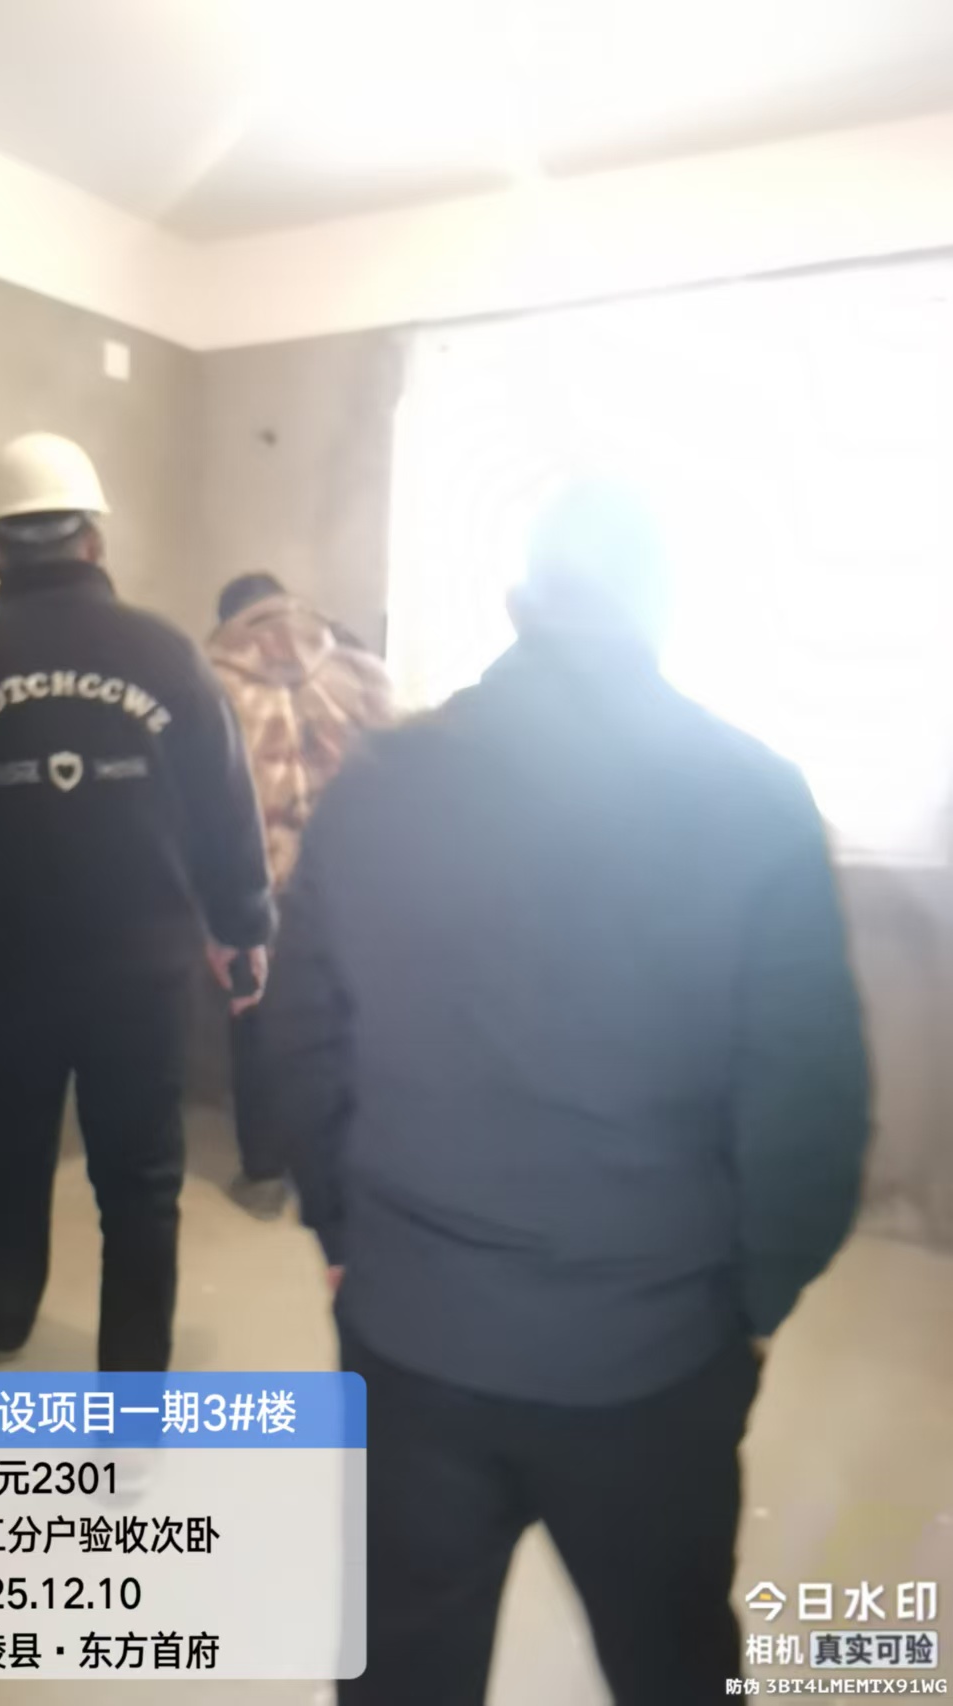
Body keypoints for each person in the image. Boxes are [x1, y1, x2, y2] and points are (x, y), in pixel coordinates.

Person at [265, 479, 871, 1705]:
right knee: (673, 1666)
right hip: (650, 1364)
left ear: (517, 603)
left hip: (412, 1341)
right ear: (660, 604)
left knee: (400, 1673)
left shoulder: (379, 783)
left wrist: (343, 1235)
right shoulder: (752, 798)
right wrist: (746, 1308)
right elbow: (810, 1113)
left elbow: (299, 1047)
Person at [0, 433, 273, 1370]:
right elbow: (225, 807)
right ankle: (132, 1390)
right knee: (141, 1177)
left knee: (12, 1138)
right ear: (94, 540)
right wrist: (242, 928)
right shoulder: (165, 654)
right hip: (144, 973)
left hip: (9, 972)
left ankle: (4, 1308)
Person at [207, 573, 393, 1219]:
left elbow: (202, 794)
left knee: (253, 1015)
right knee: (344, 1012)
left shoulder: (209, 680)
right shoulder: (360, 666)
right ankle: (346, 1157)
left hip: (258, 876)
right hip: (356, 869)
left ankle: (263, 1171)